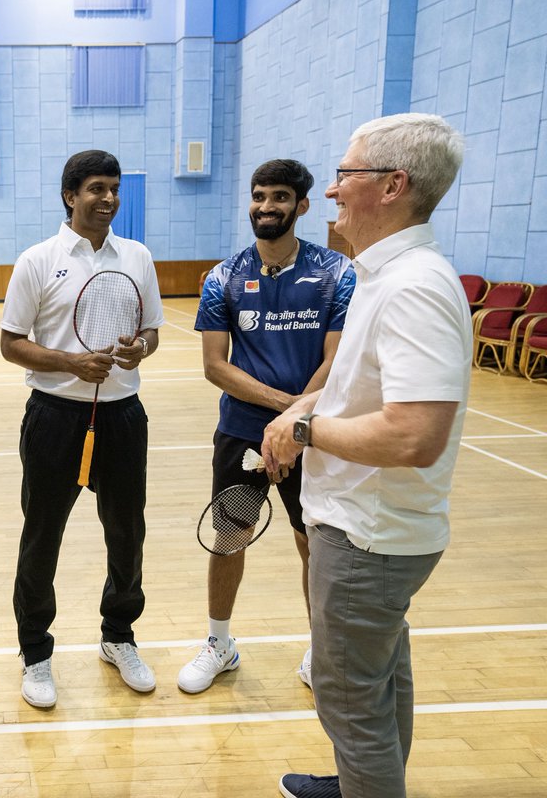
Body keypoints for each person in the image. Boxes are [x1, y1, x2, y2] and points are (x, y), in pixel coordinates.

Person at [263, 114, 469, 798]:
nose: (331, 192)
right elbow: (352, 387)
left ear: (392, 186)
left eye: (346, 175)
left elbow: (414, 436)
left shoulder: (413, 286)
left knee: (349, 699)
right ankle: (361, 782)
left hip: (369, 537)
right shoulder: (384, 276)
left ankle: (368, 782)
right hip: (367, 526)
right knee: (378, 683)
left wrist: (304, 434)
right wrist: (302, 409)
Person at [179, 159, 355, 695]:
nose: (266, 206)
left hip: (318, 436)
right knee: (229, 536)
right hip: (242, 432)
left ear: (302, 205)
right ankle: (219, 644)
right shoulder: (223, 276)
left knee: (314, 543)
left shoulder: (336, 274)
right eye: (259, 195)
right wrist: (284, 409)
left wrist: (297, 421)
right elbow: (215, 365)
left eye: (280, 196)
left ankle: (320, 650)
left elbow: (338, 359)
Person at [0, 150, 164, 708]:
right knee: (42, 537)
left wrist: (138, 348)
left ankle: (118, 636)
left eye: (115, 188)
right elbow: (10, 343)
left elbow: (152, 333)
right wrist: (72, 363)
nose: (109, 199)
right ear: (71, 195)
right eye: (96, 188)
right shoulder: (38, 260)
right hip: (55, 418)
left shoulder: (138, 257)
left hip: (123, 417)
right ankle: (36, 652)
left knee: (127, 533)